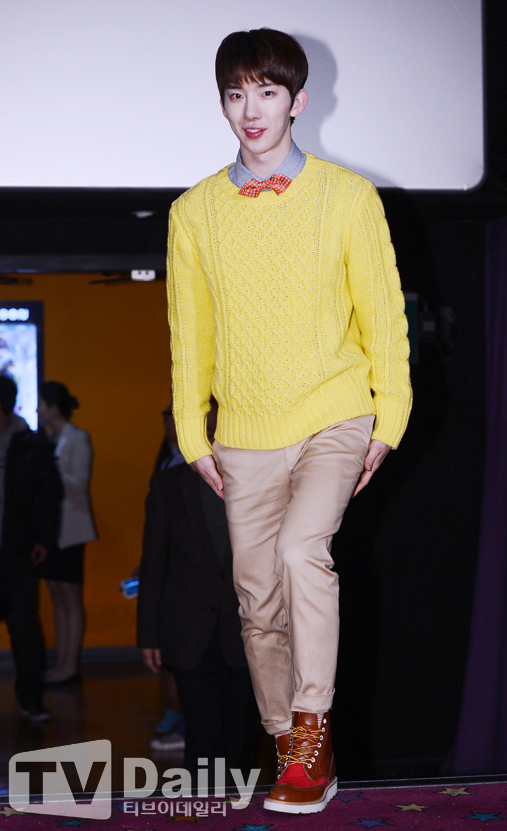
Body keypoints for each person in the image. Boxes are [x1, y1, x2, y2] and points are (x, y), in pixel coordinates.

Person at [166, 28, 412, 814]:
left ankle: (311, 728)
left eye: (267, 92)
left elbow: (383, 319)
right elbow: (190, 336)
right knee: (256, 599)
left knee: (304, 551)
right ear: (222, 103)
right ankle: (291, 745)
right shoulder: (194, 212)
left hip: (335, 413)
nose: (252, 109)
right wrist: (192, 434)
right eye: (236, 93)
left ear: (298, 100)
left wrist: (390, 417)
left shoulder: (349, 197)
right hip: (243, 430)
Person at [137, 398, 256, 784]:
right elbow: (154, 562)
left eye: (217, 426)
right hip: (189, 628)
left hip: (247, 627)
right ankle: (203, 805)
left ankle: (240, 806)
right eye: (204, 428)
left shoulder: (257, 481)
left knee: (241, 736)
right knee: (201, 738)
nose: (211, 434)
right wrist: (148, 634)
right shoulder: (171, 484)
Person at [0, 376, 63, 720]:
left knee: (24, 627)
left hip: (17, 549)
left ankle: (31, 698)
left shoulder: (29, 442)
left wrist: (44, 539)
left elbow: (48, 493)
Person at [37, 381, 97, 684]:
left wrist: (52, 467)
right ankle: (61, 663)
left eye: (40, 405)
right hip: (51, 530)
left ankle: (70, 666)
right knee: (57, 599)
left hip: (71, 529)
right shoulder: (48, 439)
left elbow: (79, 484)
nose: (37, 411)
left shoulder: (77, 437)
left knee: (70, 601)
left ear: (53, 408)